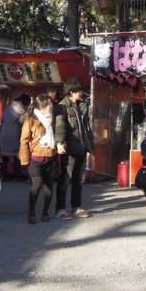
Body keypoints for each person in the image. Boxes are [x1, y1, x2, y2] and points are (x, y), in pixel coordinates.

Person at [55, 77, 95, 220]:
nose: (81, 93)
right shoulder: (62, 106)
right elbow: (60, 126)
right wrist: (59, 142)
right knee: (65, 178)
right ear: (71, 92)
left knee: (79, 179)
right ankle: (60, 208)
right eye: (79, 91)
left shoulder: (82, 105)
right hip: (70, 147)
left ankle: (76, 206)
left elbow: (86, 127)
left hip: (82, 147)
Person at [19, 93, 59, 224]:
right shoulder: (30, 121)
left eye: (51, 103)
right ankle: (31, 211)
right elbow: (24, 141)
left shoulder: (54, 119)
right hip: (36, 158)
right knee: (37, 184)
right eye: (47, 104)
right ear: (41, 107)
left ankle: (45, 211)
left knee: (49, 186)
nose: (50, 106)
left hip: (51, 157)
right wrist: (24, 161)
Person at [0, 94, 30, 181]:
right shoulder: (22, 111)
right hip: (15, 136)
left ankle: (3, 176)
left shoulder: (9, 108)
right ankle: (17, 177)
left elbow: (2, 120)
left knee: (4, 157)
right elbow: (24, 122)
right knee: (17, 157)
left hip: (4, 135)